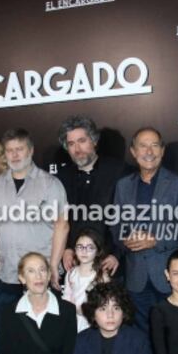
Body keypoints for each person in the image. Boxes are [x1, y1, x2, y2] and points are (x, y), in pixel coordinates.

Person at [111, 127, 178, 332]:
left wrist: (156, 240)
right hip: (136, 279)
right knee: (142, 336)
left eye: (154, 145)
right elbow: (116, 227)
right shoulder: (123, 186)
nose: (149, 151)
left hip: (169, 278)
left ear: (162, 150)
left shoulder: (177, 183)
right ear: (133, 151)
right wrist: (125, 240)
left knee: (173, 335)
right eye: (143, 146)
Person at [0, 128, 68, 292]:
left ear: (31, 150)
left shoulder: (50, 184)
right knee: (7, 318)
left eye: (19, 149)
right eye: (10, 150)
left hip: (40, 274)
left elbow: (61, 226)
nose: (14, 155)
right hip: (5, 273)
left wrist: (54, 265)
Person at [56, 115, 128, 275]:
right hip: (75, 265)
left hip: (110, 263)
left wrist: (116, 253)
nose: (77, 149)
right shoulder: (61, 178)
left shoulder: (119, 171)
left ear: (94, 141)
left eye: (82, 141)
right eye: (71, 144)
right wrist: (66, 248)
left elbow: (129, 217)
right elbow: (60, 220)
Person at [62, 227, 110, 332]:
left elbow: (105, 302)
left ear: (97, 251)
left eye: (90, 247)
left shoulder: (101, 277)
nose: (84, 251)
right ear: (74, 250)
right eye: (80, 247)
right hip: (73, 321)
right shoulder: (71, 273)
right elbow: (66, 296)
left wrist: (86, 310)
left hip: (93, 323)